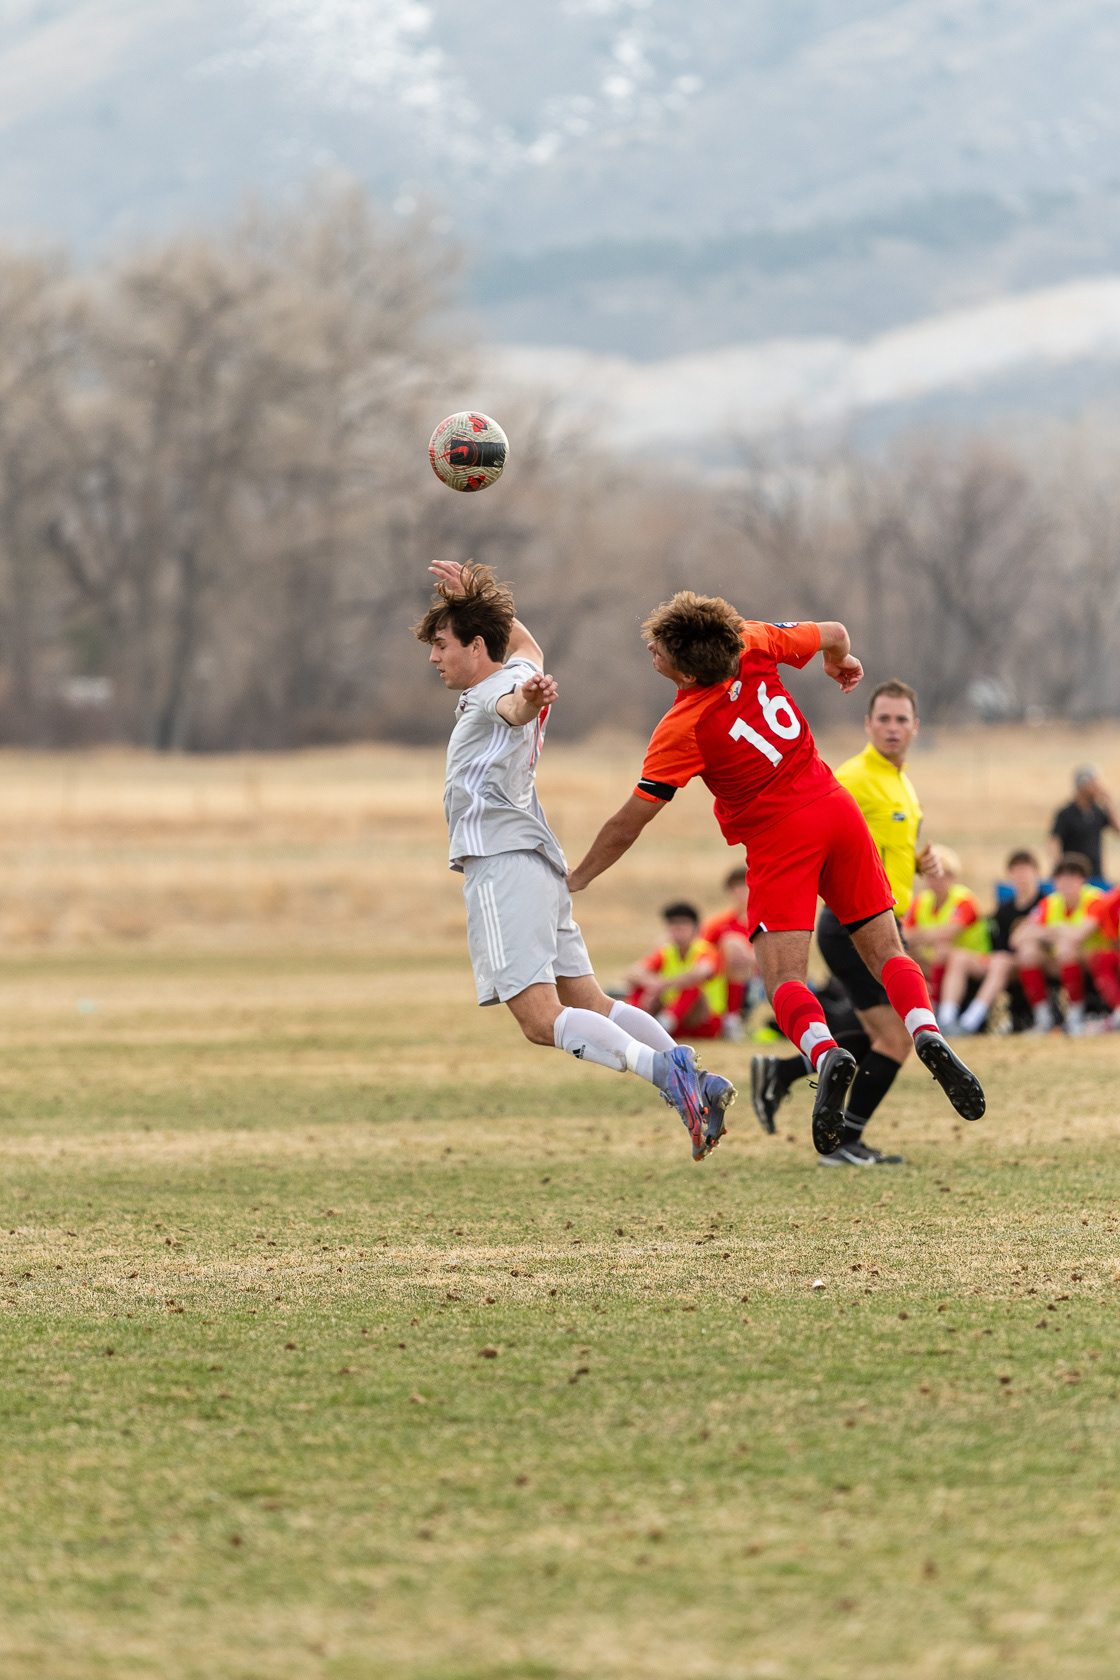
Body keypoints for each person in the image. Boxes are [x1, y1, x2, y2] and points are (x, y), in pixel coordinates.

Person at [566, 590, 985, 1158]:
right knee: (888, 950)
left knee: (784, 978)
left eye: (658, 650)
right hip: (836, 809)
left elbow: (629, 822)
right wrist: (840, 662)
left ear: (686, 671)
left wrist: (580, 875)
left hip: (781, 837)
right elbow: (836, 632)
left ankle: (824, 1053)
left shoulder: (682, 726)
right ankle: (927, 1031)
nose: (650, 651)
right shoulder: (752, 639)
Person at [413, 560, 735, 1160]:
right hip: (538, 863)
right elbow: (527, 647)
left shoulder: (494, 693)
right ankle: (693, 1076)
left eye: (442, 643)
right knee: (592, 1002)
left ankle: (671, 1078)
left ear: (476, 646)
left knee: (540, 1019)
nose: (434, 657)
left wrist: (527, 701)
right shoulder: (518, 668)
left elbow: (511, 708)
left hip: (502, 866)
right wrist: (478, 600)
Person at [753, 678, 941, 1165]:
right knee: (896, 1038)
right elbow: (818, 840)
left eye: (901, 719)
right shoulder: (853, 778)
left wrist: (919, 864)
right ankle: (842, 1143)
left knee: (867, 1034)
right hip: (854, 925)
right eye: (884, 719)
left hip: (884, 924)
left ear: (915, 727)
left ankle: (782, 1072)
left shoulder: (901, 783)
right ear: (868, 724)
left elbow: (880, 852)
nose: (893, 727)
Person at [939, 850, 1048, 1036]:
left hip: (1030, 961)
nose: (1021, 876)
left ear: (1036, 873)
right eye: (1017, 871)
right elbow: (995, 942)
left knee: (1001, 961)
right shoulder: (1004, 909)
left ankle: (970, 1021)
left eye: (1025, 870)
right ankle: (946, 1019)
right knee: (959, 957)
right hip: (999, 959)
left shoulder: (1045, 903)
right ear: (1010, 875)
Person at [1011, 853, 1103, 1034]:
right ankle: (1043, 1018)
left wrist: (1047, 931)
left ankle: (1075, 1017)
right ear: (1055, 882)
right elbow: (1017, 938)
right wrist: (1056, 930)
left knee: (1065, 947)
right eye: (1062, 878)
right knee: (1027, 952)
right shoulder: (1050, 903)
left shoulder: (1095, 900)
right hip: (1061, 961)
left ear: (1083, 880)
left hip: (1093, 960)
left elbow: (1077, 936)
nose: (1067, 883)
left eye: (1073, 877)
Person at [624, 901, 728, 1039]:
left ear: (696, 928)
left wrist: (663, 984)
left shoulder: (706, 951)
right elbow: (633, 973)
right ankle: (632, 1024)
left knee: (691, 987)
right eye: (673, 924)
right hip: (677, 1018)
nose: (678, 929)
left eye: (683, 924)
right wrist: (654, 985)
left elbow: (702, 972)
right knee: (641, 986)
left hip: (706, 1021)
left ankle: (663, 1024)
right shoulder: (667, 951)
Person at [903, 846, 989, 1003]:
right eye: (931, 876)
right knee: (904, 954)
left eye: (941, 875)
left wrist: (920, 935)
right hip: (934, 959)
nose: (936, 881)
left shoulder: (964, 900)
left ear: (952, 877)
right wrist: (930, 935)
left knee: (942, 949)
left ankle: (937, 1004)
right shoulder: (921, 901)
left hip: (973, 959)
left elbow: (947, 934)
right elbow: (903, 936)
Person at [700, 866, 760, 1038]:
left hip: (760, 980)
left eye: (747, 887)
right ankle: (732, 1020)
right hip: (725, 982)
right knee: (733, 944)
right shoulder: (719, 924)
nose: (743, 893)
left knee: (736, 946)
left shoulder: (766, 921)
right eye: (738, 888)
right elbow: (700, 952)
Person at [1051, 768, 1117, 884]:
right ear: (1082, 786)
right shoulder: (1066, 813)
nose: (1097, 788)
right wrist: (1058, 866)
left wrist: (1108, 804)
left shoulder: (1097, 812)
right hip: (1073, 875)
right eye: (1093, 784)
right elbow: (1054, 840)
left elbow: (1117, 829)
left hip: (1096, 873)